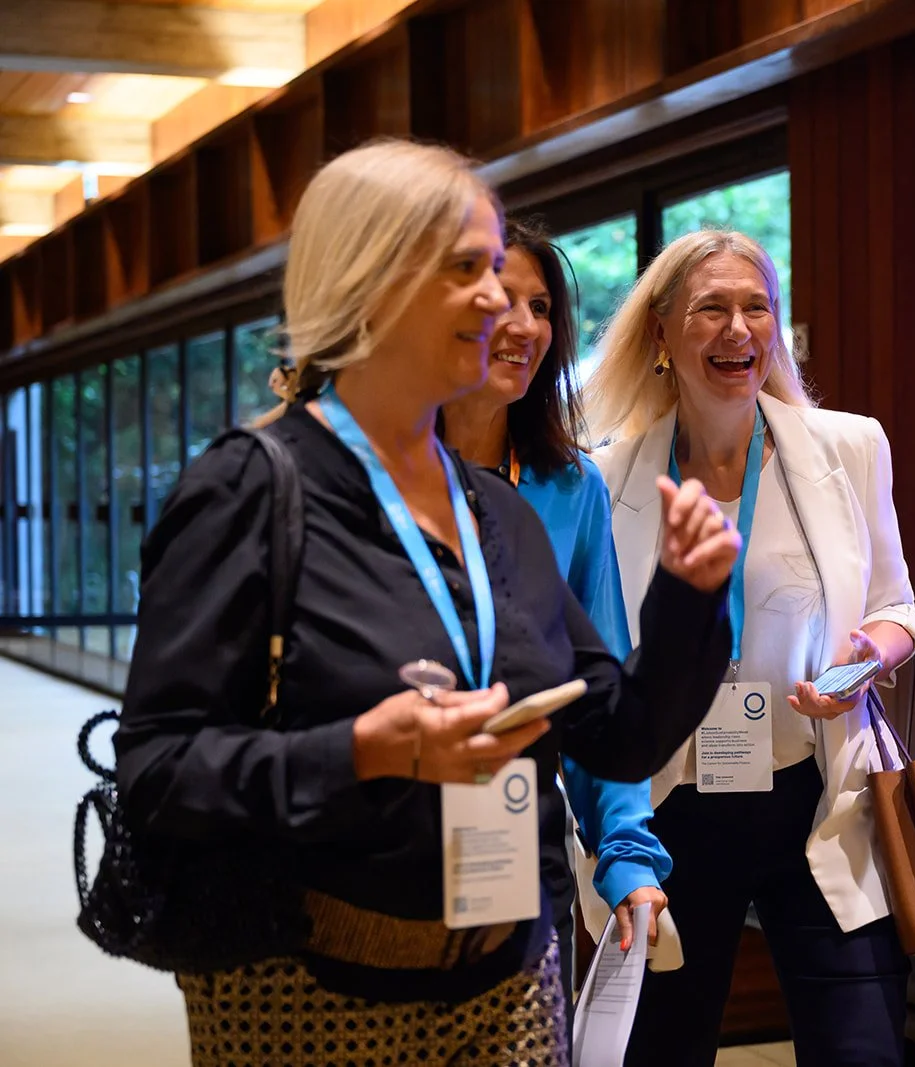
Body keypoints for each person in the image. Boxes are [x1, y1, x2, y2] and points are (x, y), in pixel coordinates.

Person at [112, 139, 740, 1067]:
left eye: (499, 271)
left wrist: (690, 599)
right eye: (468, 271)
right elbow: (159, 772)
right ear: (370, 280)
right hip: (300, 988)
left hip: (510, 981)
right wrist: (369, 749)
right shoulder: (251, 491)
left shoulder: (500, 512)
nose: (500, 301)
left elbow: (619, 732)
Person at [584, 230, 915, 1067]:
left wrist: (862, 662)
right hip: (673, 808)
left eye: (756, 306)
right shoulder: (608, 475)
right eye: (711, 308)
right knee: (660, 1049)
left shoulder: (848, 447)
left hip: (816, 792)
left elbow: (898, 609)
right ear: (661, 333)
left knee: (864, 1051)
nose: (739, 328)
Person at [438, 217, 669, 1003]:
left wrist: (627, 854)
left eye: (543, 309)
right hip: (386, 844)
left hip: (518, 838)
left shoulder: (571, 487)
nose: (526, 326)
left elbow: (598, 687)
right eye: (506, 300)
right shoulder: (378, 475)